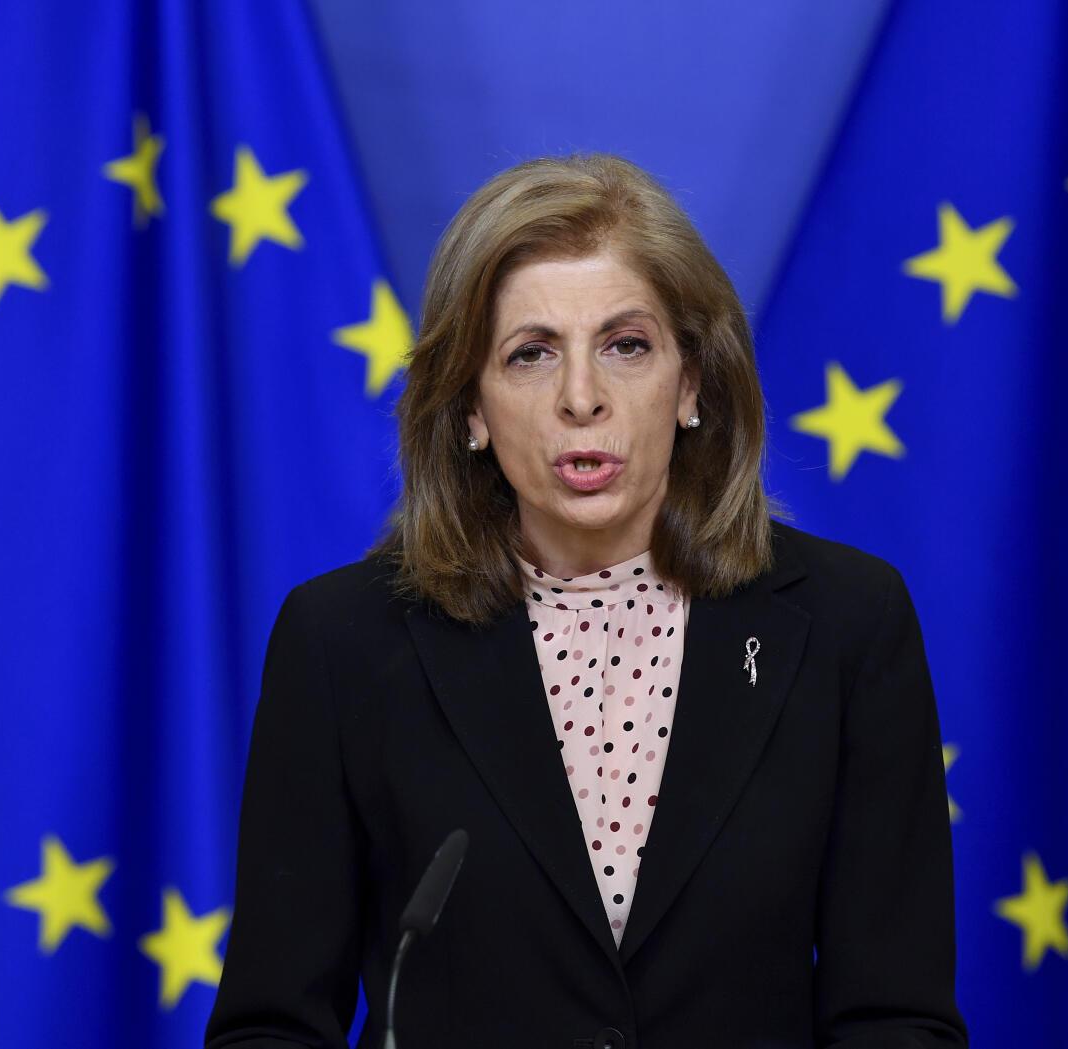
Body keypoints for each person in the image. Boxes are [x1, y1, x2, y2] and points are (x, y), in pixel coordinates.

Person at [204, 153, 967, 1049]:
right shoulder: (343, 643)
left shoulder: (847, 624)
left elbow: (895, 1020)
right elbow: (271, 1027)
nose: (581, 398)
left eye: (626, 345)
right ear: (470, 409)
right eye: (531, 354)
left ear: (691, 384)